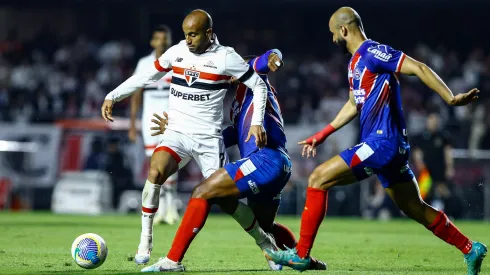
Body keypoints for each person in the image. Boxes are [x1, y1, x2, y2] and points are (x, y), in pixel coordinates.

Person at [264, 7, 486, 275]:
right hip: (387, 147)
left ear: (344, 30)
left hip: (383, 142)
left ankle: (301, 255)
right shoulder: (355, 64)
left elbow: (418, 67)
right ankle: (470, 248)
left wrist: (450, 98)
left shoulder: (372, 51)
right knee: (414, 207)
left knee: (317, 179)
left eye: (333, 33)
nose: (333, 39)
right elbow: (352, 104)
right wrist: (322, 134)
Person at [101, 9, 271, 266]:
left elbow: (258, 85)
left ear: (209, 33)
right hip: (176, 134)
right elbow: (146, 76)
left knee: (226, 202)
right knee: (155, 172)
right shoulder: (177, 52)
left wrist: (257, 122)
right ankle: (145, 242)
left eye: (193, 34)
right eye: (185, 34)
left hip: (208, 140)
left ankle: (265, 242)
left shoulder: (226, 57)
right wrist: (113, 95)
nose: (188, 39)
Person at [142, 50, 326, 272]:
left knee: (202, 192)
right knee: (264, 226)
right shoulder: (238, 101)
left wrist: (273, 58)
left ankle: (172, 261)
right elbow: (227, 136)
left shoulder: (254, 80)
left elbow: (265, 59)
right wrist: (178, 130)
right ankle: (304, 258)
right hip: (278, 164)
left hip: (265, 160)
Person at [128, 25, 179, 225]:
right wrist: (133, 124)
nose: (162, 42)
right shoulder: (144, 63)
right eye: (158, 39)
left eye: (165, 39)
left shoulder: (177, 62)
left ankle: (170, 207)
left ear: (169, 40)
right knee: (155, 165)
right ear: (152, 42)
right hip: (150, 119)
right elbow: (136, 94)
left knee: (171, 162)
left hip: (171, 118)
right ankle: (159, 209)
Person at [412, 112, 461, 217]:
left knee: (442, 191)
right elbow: (417, 152)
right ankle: (420, 214)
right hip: (426, 170)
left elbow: (448, 152)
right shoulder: (421, 136)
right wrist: (419, 164)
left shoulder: (443, 136)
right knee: (423, 192)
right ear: (427, 122)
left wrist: (449, 167)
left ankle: (449, 213)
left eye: (435, 121)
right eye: (431, 121)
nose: (433, 123)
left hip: (439, 168)